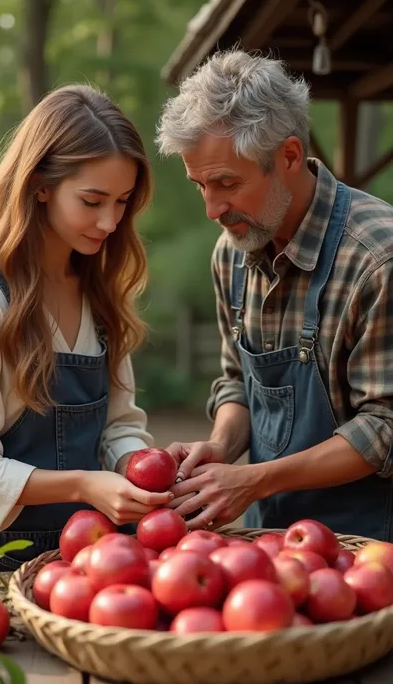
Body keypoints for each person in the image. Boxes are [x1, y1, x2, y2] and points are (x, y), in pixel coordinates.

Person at [0, 84, 174, 578]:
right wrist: (84, 486)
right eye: (92, 200)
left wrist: (141, 469)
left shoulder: (100, 301)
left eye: (122, 202)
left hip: (83, 557)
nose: (109, 221)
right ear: (40, 185)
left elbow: (118, 426)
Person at [156, 48, 393, 541]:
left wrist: (254, 480)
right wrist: (222, 448)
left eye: (226, 183)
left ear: (287, 156)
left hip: (370, 551)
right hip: (268, 547)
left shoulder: (377, 260)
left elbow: (385, 428)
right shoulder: (232, 252)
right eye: (199, 184)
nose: (211, 208)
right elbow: (236, 382)